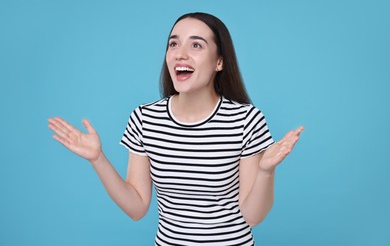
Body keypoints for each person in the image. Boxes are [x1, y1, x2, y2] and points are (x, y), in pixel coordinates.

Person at [48, 12, 304, 245]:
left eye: (196, 45)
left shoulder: (246, 119)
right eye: (173, 44)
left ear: (219, 62)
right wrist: (98, 159)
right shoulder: (145, 119)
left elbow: (253, 216)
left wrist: (265, 172)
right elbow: (136, 208)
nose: (180, 53)